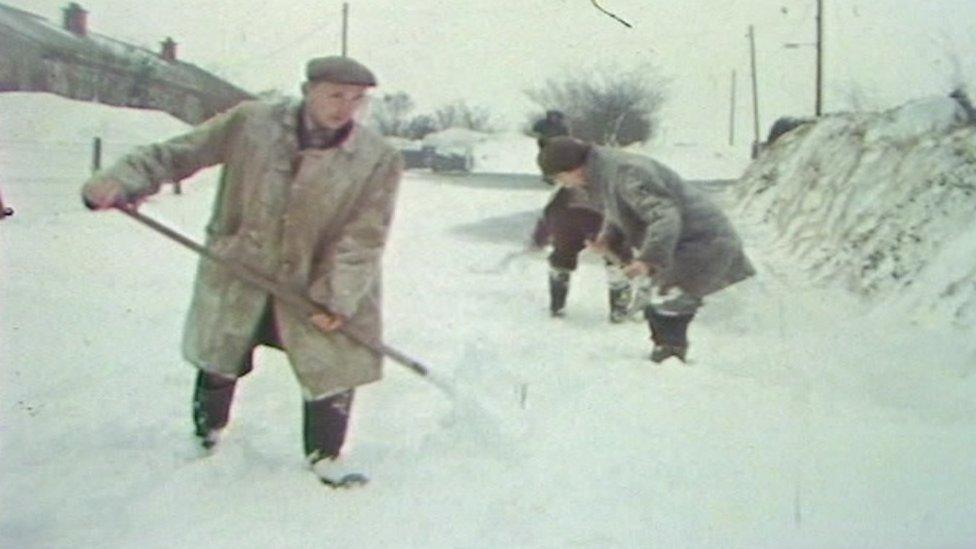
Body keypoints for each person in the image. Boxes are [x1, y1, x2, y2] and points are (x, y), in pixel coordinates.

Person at [80, 56, 403, 488]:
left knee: (333, 364)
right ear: (308, 90)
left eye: (356, 99)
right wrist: (121, 180)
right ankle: (206, 435)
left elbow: (364, 236)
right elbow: (179, 152)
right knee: (220, 354)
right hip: (240, 267)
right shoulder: (253, 123)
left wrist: (335, 296)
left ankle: (325, 456)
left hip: (313, 282)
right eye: (335, 95)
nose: (344, 107)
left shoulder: (376, 158)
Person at [537, 137, 755, 363]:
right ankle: (667, 358)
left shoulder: (626, 172)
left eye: (560, 178)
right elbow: (620, 210)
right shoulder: (605, 172)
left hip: (701, 242)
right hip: (681, 242)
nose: (564, 185)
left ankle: (671, 362)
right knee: (661, 302)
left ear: (573, 169)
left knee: (669, 302)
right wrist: (607, 240)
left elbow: (664, 215)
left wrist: (649, 259)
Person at [529, 184, 635, 321]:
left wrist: (539, 238)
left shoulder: (563, 186)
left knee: (561, 257)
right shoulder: (610, 179)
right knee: (617, 259)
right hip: (601, 218)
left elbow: (548, 214)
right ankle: (620, 310)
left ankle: (557, 306)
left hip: (566, 216)